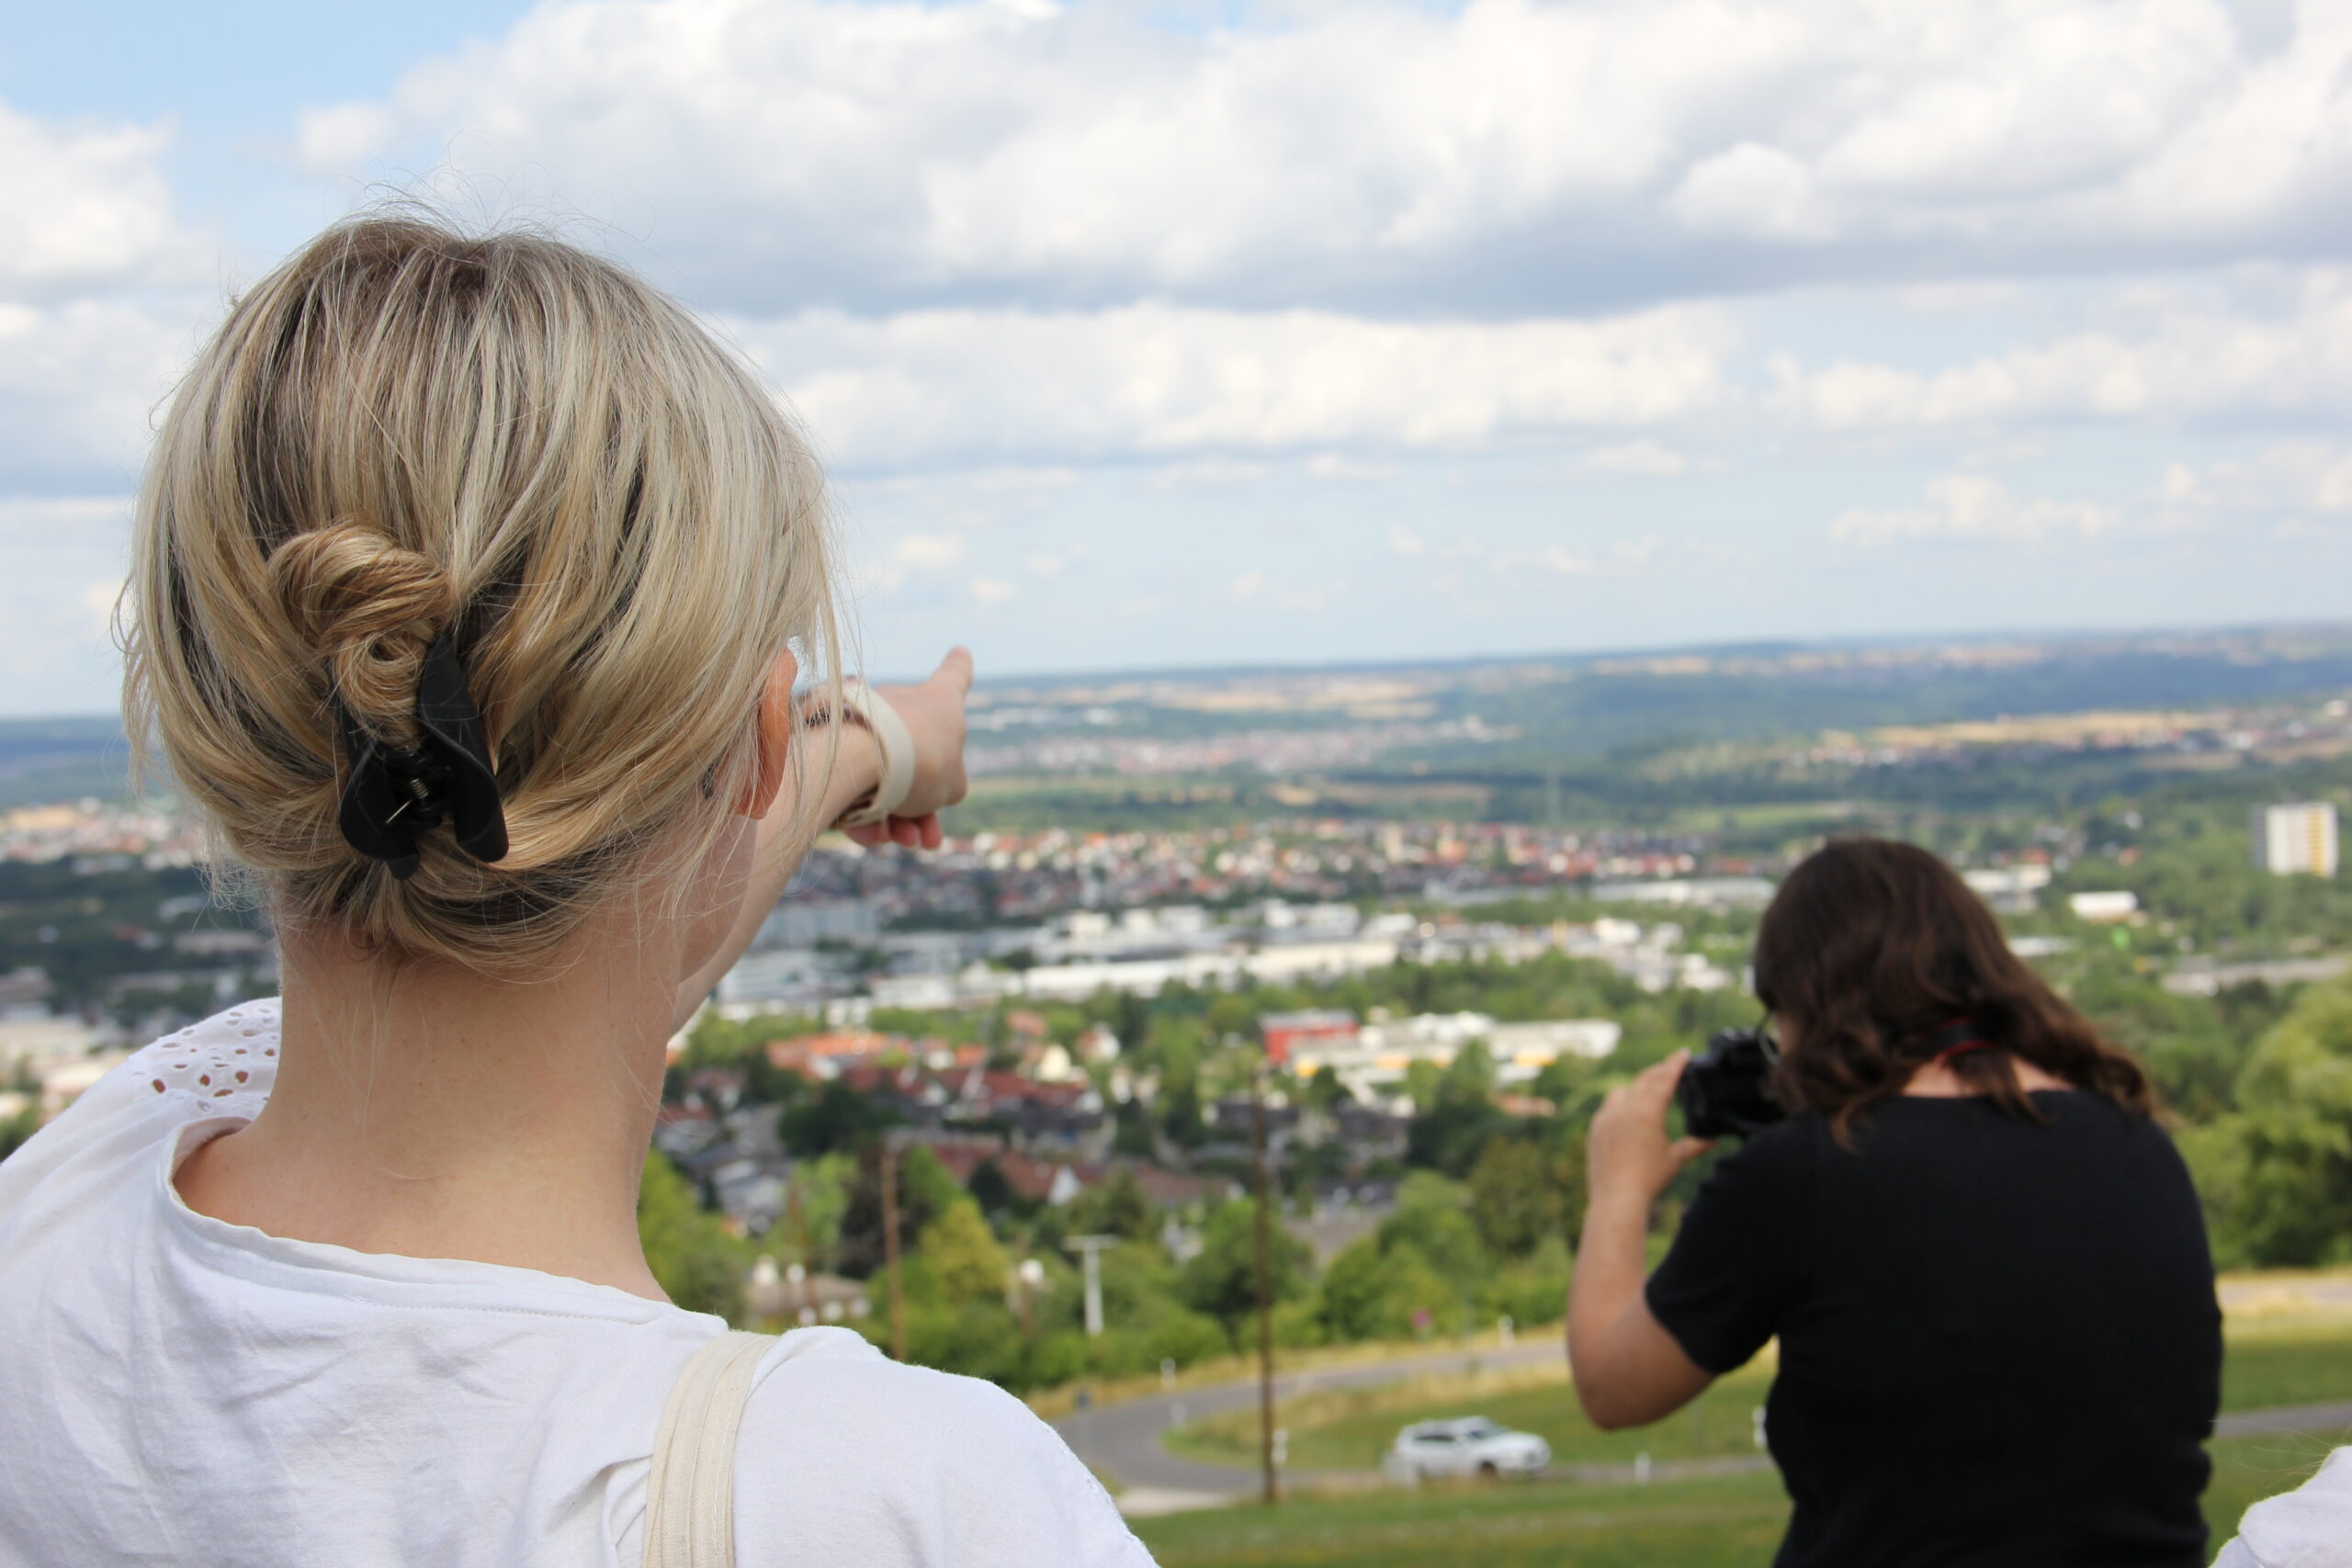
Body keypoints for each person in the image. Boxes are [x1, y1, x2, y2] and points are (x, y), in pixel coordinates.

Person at [0, 216, 1153, 1567]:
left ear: (226, 708)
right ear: (756, 740)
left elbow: (544, 922)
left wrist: (853, 745)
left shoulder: (75, 1197)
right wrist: (844, 744)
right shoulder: (895, 1503)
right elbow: (594, 931)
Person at [1566, 835, 2221, 1567]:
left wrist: (1618, 1190)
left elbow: (1612, 1387)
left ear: (1806, 1001)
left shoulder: (1809, 1171)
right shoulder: (2136, 1141)